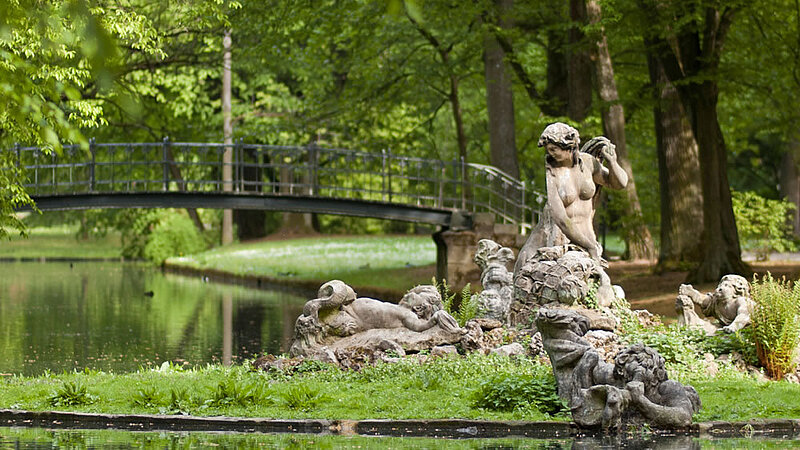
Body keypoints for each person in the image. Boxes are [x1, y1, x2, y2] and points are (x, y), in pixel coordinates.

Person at [515, 123, 628, 273]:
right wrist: (589, 246)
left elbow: (619, 183)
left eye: (553, 149)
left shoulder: (588, 163)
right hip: (557, 240)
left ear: (568, 146)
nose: (549, 153)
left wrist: (612, 162)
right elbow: (561, 218)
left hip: (587, 238)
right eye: (548, 150)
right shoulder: (553, 172)